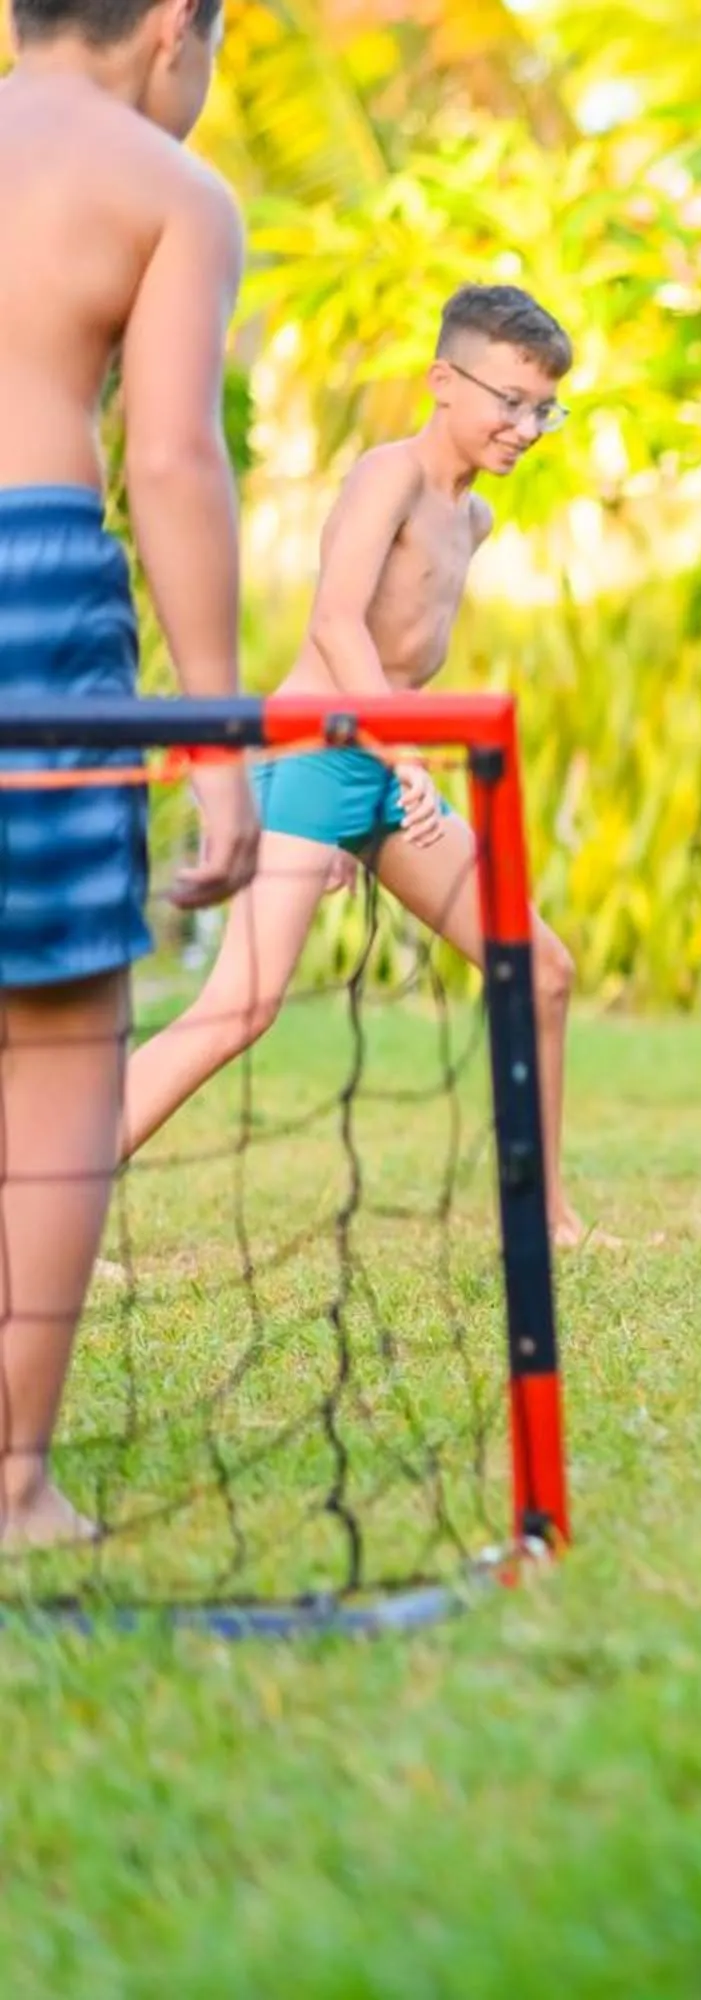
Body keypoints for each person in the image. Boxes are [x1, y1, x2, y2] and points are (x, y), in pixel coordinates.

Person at [121, 285, 591, 1246]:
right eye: (510, 399)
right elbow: (333, 622)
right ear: (442, 382)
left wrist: (389, 781)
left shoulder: (475, 520)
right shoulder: (390, 475)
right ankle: (37, 1198)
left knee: (539, 971)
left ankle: (547, 1221)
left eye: (545, 407)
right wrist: (398, 761)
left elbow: (404, 653)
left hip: (379, 768)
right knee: (237, 1011)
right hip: (318, 753)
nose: (528, 426)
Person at [0, 0, 258, 1548]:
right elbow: (170, 459)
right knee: (54, 1046)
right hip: (29, 595)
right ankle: (10, 1478)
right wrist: (215, 743)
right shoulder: (168, 188)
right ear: (174, 26)